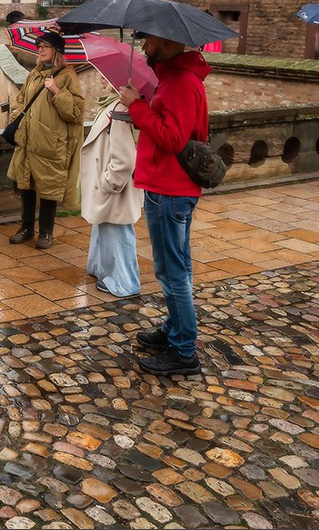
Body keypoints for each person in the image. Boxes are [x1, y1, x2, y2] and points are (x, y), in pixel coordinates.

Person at [118, 30, 211, 377]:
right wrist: (141, 106)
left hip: (169, 189)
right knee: (178, 268)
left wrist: (137, 106)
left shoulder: (180, 83)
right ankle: (173, 331)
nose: (143, 46)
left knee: (172, 273)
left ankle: (185, 351)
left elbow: (173, 139)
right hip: (169, 186)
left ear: (169, 42)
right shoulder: (174, 79)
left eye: (150, 40)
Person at [5, 26, 85, 250]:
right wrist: (17, 121)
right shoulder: (35, 73)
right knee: (26, 184)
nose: (40, 50)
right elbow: (21, 100)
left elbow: (76, 112)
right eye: (39, 46)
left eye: (45, 46)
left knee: (49, 187)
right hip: (29, 141)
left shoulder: (68, 77)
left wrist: (57, 92)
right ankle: (26, 228)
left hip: (52, 143)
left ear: (57, 50)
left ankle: (46, 232)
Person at [81, 83, 142, 297]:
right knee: (106, 226)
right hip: (110, 182)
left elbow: (125, 159)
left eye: (106, 78)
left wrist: (109, 183)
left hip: (115, 185)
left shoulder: (120, 110)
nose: (102, 81)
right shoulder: (113, 106)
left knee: (117, 231)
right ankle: (102, 270)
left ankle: (124, 283)